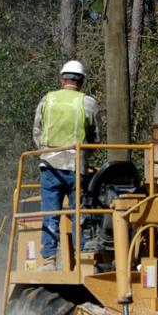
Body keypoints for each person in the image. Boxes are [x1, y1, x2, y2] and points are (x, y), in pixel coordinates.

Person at [32, 60, 101, 265]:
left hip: (49, 167)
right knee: (78, 214)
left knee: (50, 213)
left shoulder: (48, 100)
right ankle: (81, 259)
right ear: (81, 81)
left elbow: (37, 131)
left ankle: (49, 260)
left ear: (62, 79)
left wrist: (47, 152)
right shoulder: (88, 103)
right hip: (75, 167)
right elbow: (96, 137)